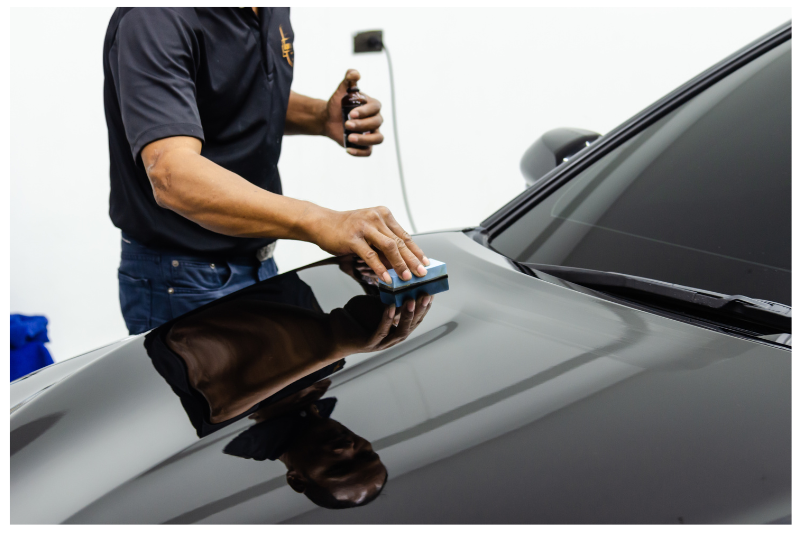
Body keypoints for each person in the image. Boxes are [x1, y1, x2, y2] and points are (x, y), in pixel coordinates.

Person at [103, 7, 429, 334]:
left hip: (258, 259)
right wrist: (324, 221)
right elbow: (172, 175)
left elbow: (229, 93)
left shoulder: (269, 8)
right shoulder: (154, 17)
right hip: (181, 277)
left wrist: (319, 117)